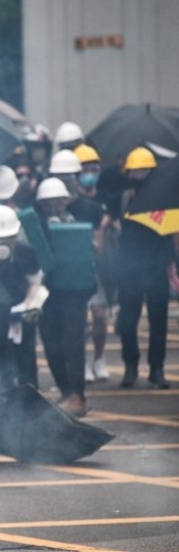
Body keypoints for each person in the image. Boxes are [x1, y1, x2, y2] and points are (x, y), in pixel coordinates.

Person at [34, 177, 95, 416]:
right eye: (48, 203)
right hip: (47, 293)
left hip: (73, 294)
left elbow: (88, 260)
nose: (54, 207)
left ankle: (77, 394)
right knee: (51, 343)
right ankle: (65, 392)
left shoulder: (76, 228)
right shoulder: (36, 229)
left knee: (73, 343)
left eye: (58, 202)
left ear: (65, 202)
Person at [115, 147, 172, 389]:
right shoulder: (124, 198)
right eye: (135, 172)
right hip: (129, 267)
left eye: (144, 172)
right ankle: (131, 366)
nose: (139, 176)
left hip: (157, 264)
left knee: (159, 320)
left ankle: (156, 369)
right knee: (128, 321)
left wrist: (172, 263)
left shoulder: (164, 199)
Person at [0, 206, 43, 395]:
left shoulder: (26, 252)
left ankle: (29, 398)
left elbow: (35, 282)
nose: (3, 242)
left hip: (19, 312)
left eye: (9, 238)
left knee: (25, 357)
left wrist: (28, 305)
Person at [69, 144, 112, 382]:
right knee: (79, 318)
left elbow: (99, 242)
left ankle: (99, 358)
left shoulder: (100, 202)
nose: (91, 173)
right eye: (86, 169)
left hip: (95, 267)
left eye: (94, 168)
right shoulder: (69, 204)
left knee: (99, 315)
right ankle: (83, 362)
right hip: (74, 267)